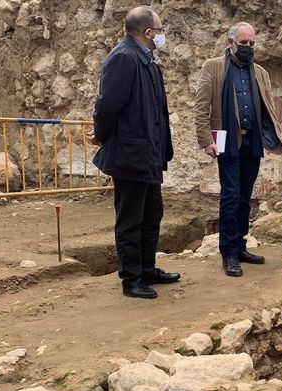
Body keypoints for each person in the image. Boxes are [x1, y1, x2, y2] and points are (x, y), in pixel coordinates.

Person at [89, 5, 179, 299]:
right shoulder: (124, 58)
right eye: (160, 30)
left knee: (152, 212)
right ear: (148, 32)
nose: (162, 35)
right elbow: (107, 105)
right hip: (130, 153)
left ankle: (147, 268)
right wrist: (101, 135)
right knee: (130, 218)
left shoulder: (146, 60)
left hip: (149, 153)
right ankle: (131, 279)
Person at [194, 22, 282, 277]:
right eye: (243, 43)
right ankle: (229, 253)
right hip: (227, 141)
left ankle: (241, 246)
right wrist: (205, 140)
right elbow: (201, 107)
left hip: (252, 142)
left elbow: (266, 105)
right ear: (230, 42)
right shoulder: (214, 67)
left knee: (245, 196)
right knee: (231, 196)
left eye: (252, 43)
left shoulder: (260, 72)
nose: (248, 47)